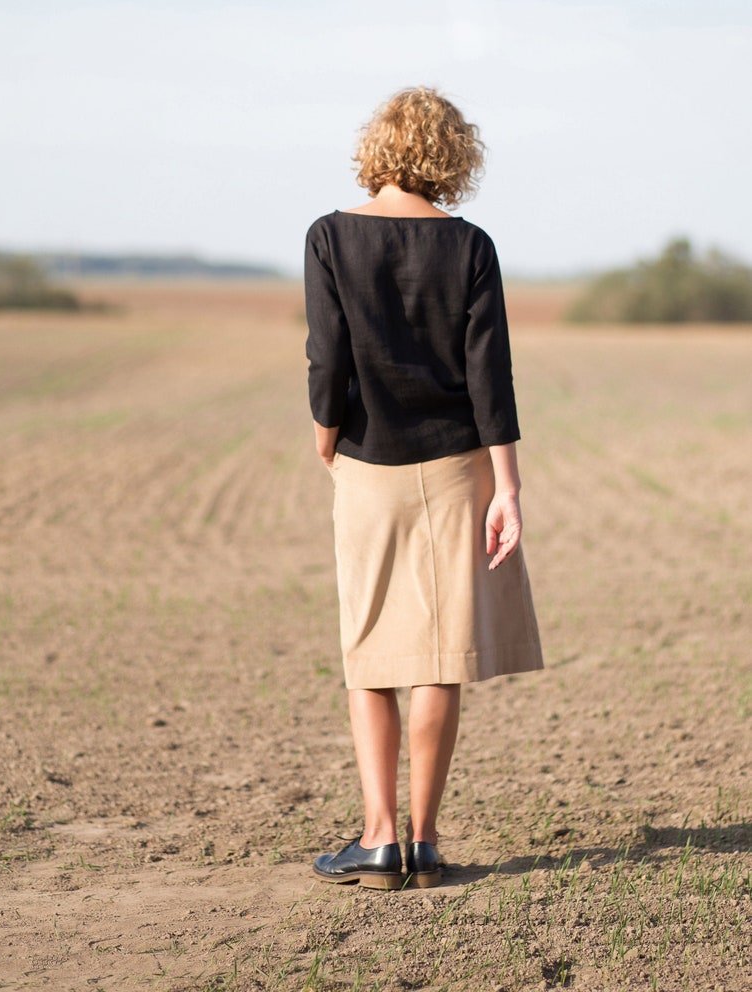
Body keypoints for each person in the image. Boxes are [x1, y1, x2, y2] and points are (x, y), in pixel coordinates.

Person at [304, 86, 543, 891]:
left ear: (377, 147)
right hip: (458, 466)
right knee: (440, 653)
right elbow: (491, 377)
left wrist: (325, 436)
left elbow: (326, 357)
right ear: (452, 155)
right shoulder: (472, 245)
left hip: (367, 462)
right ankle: (426, 841)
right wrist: (507, 488)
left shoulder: (330, 236)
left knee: (370, 654)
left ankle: (376, 840)